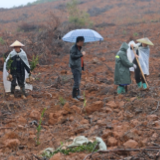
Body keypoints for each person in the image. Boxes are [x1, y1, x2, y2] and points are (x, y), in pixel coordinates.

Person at [69, 36, 86, 100]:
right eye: (82, 41)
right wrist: (81, 54)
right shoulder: (74, 48)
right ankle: (74, 96)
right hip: (75, 67)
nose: (83, 42)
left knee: (78, 82)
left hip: (79, 67)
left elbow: (78, 57)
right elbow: (73, 56)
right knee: (76, 82)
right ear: (79, 41)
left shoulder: (79, 48)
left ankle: (78, 95)